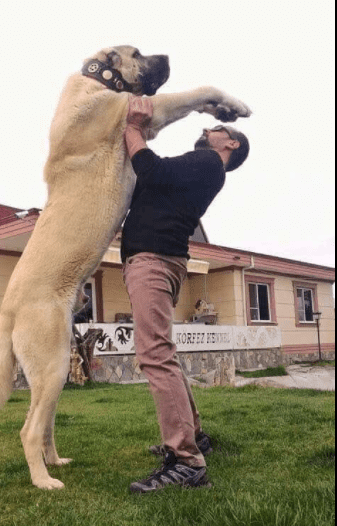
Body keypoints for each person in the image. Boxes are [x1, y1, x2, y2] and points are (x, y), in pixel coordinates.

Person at [121, 96, 250, 494]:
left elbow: (151, 169)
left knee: (155, 356)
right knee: (164, 354)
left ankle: (187, 461)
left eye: (218, 129)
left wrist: (132, 128)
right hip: (161, 260)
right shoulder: (205, 167)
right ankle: (194, 436)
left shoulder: (210, 162)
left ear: (230, 144)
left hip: (155, 260)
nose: (209, 129)